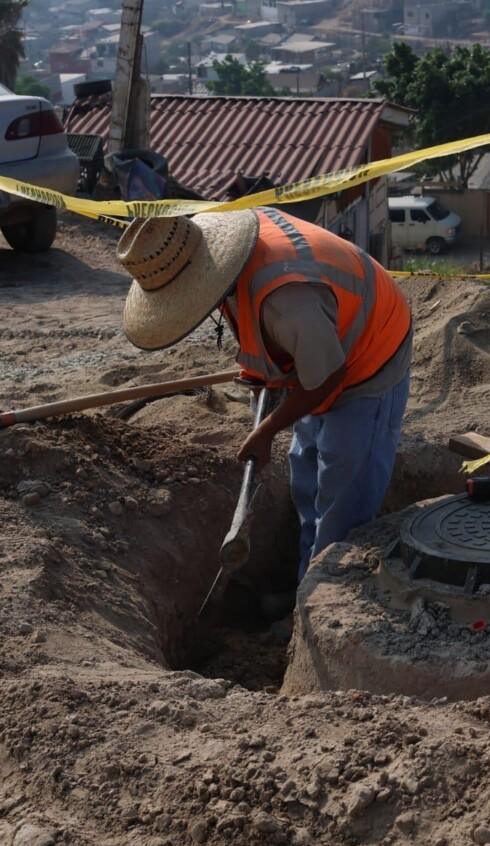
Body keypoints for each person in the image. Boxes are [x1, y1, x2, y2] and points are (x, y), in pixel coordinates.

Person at [116, 208, 412, 580]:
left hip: (371, 349)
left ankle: (327, 589)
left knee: (343, 501)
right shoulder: (222, 256)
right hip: (319, 345)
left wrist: (267, 430)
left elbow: (326, 379)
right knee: (306, 473)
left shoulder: (288, 302)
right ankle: (307, 575)